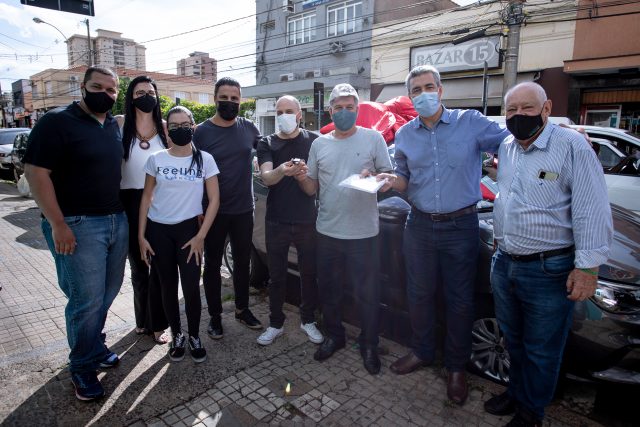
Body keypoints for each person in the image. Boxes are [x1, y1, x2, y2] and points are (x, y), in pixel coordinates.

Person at [376, 65, 510, 404]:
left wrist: (558, 136)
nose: (423, 94)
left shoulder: (470, 122)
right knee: (419, 294)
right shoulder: (406, 134)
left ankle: (455, 367)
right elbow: (404, 179)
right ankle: (422, 351)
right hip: (419, 225)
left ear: (440, 90)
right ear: (410, 97)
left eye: (428, 87)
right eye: (416, 90)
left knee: (459, 300)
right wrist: (391, 181)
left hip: (460, 226)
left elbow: (511, 142)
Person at [484, 82, 612, 426]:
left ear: (547, 108)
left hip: (548, 269)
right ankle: (515, 393)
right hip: (505, 262)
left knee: (542, 349)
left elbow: (591, 208)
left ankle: (531, 412)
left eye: (527, 108)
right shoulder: (507, 146)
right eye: (511, 110)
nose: (518, 115)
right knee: (513, 340)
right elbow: (510, 197)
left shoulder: (571, 145)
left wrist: (588, 268)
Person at [24, 66, 128, 401]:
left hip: (116, 220)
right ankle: (82, 367)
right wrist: (58, 224)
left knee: (108, 293)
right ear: (82, 88)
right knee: (86, 301)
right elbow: (36, 172)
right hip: (78, 224)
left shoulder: (111, 124)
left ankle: (94, 347)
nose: (105, 94)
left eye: (111, 90)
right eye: (98, 87)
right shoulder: (56, 122)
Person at [299, 83, 392, 374]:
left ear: (357, 109)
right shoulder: (319, 144)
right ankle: (334, 336)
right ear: (330, 111)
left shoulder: (374, 138)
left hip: (365, 234)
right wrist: (300, 176)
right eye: (338, 107)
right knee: (330, 291)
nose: (343, 112)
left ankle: (369, 343)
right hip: (327, 231)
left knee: (368, 294)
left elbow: (388, 178)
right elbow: (312, 187)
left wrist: (376, 177)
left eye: (349, 107)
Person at [138, 106, 220, 363]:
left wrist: (201, 236)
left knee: (191, 288)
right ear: (167, 131)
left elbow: (215, 200)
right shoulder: (156, 159)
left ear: (193, 126)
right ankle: (178, 336)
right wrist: (141, 236)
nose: (180, 129)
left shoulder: (205, 159)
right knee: (167, 286)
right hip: (158, 231)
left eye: (185, 124)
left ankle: (194, 336)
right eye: (174, 126)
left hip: (189, 232)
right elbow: (146, 198)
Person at [193, 77, 263, 339]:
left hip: (244, 209)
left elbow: (267, 151)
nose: (229, 102)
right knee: (211, 265)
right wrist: (197, 209)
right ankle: (215, 316)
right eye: (224, 98)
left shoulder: (249, 128)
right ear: (215, 99)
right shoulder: (201, 132)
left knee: (242, 263)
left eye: (235, 98)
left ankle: (242, 309)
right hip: (213, 211)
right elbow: (193, 172)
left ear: (240, 101)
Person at [255, 95, 323, 346]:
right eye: (279, 112)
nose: (284, 116)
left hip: (307, 220)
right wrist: (282, 170)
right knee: (276, 276)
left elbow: (313, 188)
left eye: (289, 111)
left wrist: (301, 176)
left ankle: (308, 320)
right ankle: (275, 323)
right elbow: (267, 177)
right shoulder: (267, 142)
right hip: (277, 220)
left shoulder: (314, 140)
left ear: (299, 115)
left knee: (309, 273)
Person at [117, 75, 169, 345]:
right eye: (139, 93)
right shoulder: (119, 124)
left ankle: (158, 324)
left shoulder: (165, 128)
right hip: (128, 202)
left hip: (160, 202)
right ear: (130, 97)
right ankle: (142, 320)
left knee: (159, 265)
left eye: (150, 92)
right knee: (138, 267)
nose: (146, 96)